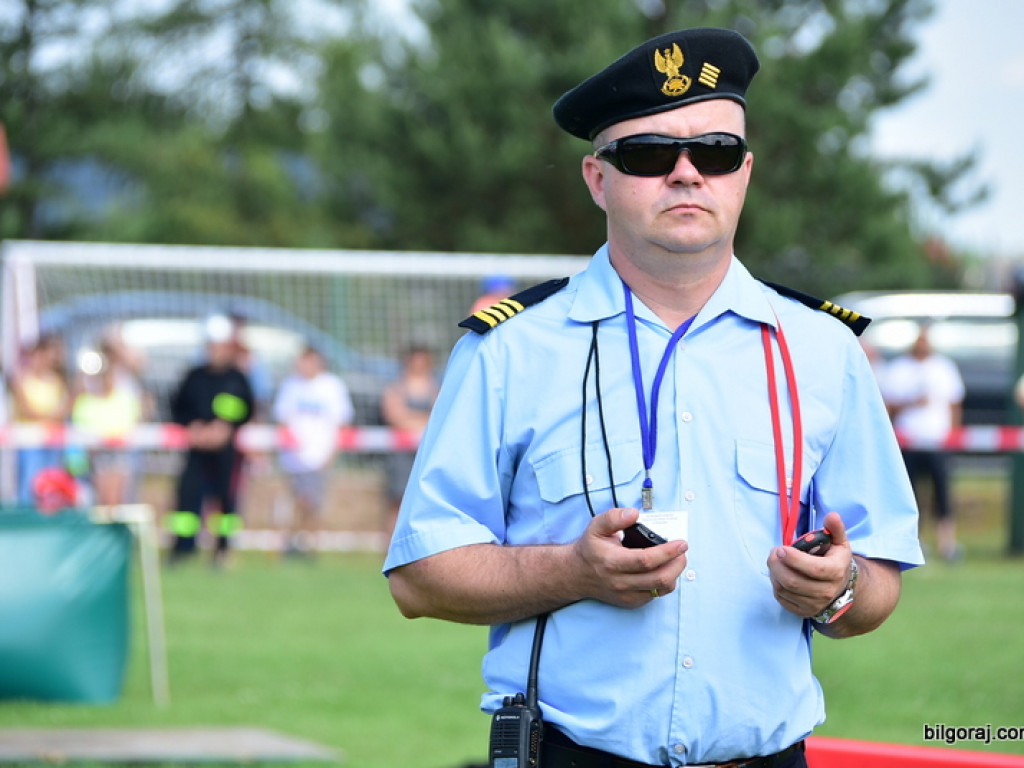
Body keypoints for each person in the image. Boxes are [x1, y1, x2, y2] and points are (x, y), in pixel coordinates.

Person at [384, 28, 924, 768]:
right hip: (571, 753)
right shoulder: (509, 349)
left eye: (715, 152)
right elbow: (419, 575)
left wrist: (839, 588)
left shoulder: (823, 350)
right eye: (647, 154)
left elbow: (878, 582)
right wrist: (573, 571)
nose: (686, 174)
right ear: (597, 179)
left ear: (744, 173)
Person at [167, 314, 254, 567]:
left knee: (226, 499)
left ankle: (223, 549)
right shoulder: (194, 376)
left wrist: (225, 427)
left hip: (226, 452)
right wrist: (192, 427)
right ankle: (182, 549)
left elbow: (246, 410)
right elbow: (178, 407)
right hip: (196, 450)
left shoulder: (237, 379)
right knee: (187, 496)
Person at [881, 325, 964, 562]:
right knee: (911, 494)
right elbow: (888, 407)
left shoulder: (944, 367)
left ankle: (947, 543)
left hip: (938, 441)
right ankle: (915, 542)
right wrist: (912, 403)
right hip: (908, 442)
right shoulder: (897, 369)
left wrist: (954, 435)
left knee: (943, 493)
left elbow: (954, 404)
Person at [272, 345, 354, 557]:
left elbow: (342, 422)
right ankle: (291, 543)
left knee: (312, 502)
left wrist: (332, 453)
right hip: (294, 457)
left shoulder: (332, 386)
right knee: (295, 501)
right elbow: (282, 420)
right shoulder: (290, 385)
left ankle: (307, 544)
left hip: (320, 456)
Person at [380, 345, 439, 540]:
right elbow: (395, 416)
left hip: (427, 452)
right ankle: (390, 551)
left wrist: (409, 419)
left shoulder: (435, 387)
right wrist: (422, 419)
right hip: (401, 454)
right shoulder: (396, 387)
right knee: (396, 502)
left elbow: (438, 417)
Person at [70, 349, 144, 506]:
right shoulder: (86, 401)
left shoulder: (125, 399)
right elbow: (81, 429)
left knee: (117, 500)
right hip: (93, 458)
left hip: (120, 456)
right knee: (101, 502)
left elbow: (130, 425)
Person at [10, 334, 71, 505]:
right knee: (28, 488)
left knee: (53, 487)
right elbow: (30, 412)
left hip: (52, 444)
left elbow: (62, 413)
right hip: (29, 446)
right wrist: (52, 417)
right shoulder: (21, 378)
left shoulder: (58, 381)